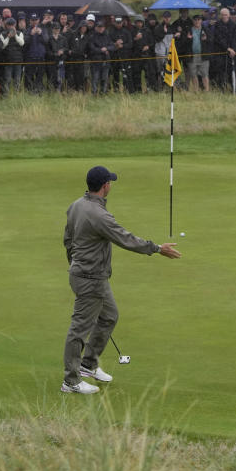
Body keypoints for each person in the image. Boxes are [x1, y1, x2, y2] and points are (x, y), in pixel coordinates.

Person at [62, 166, 181, 394]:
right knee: (79, 329)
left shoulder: (76, 205)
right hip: (90, 277)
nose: (111, 185)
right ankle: (71, 380)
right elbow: (125, 238)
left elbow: (68, 239)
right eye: (110, 182)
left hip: (87, 274)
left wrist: (74, 263)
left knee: (109, 316)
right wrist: (156, 248)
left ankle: (88, 366)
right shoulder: (100, 215)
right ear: (105, 185)